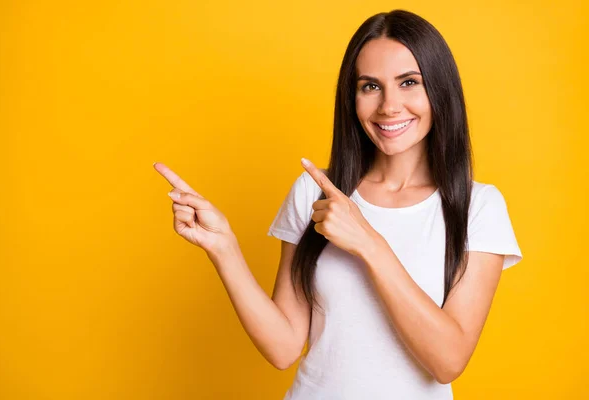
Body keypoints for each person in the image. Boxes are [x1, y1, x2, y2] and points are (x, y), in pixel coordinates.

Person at [154, 9, 523, 400]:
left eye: (409, 82)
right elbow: (283, 348)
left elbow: (448, 361)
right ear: (352, 97)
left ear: (440, 89)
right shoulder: (314, 192)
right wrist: (223, 248)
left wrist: (368, 242)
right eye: (370, 86)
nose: (389, 106)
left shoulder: (478, 207)